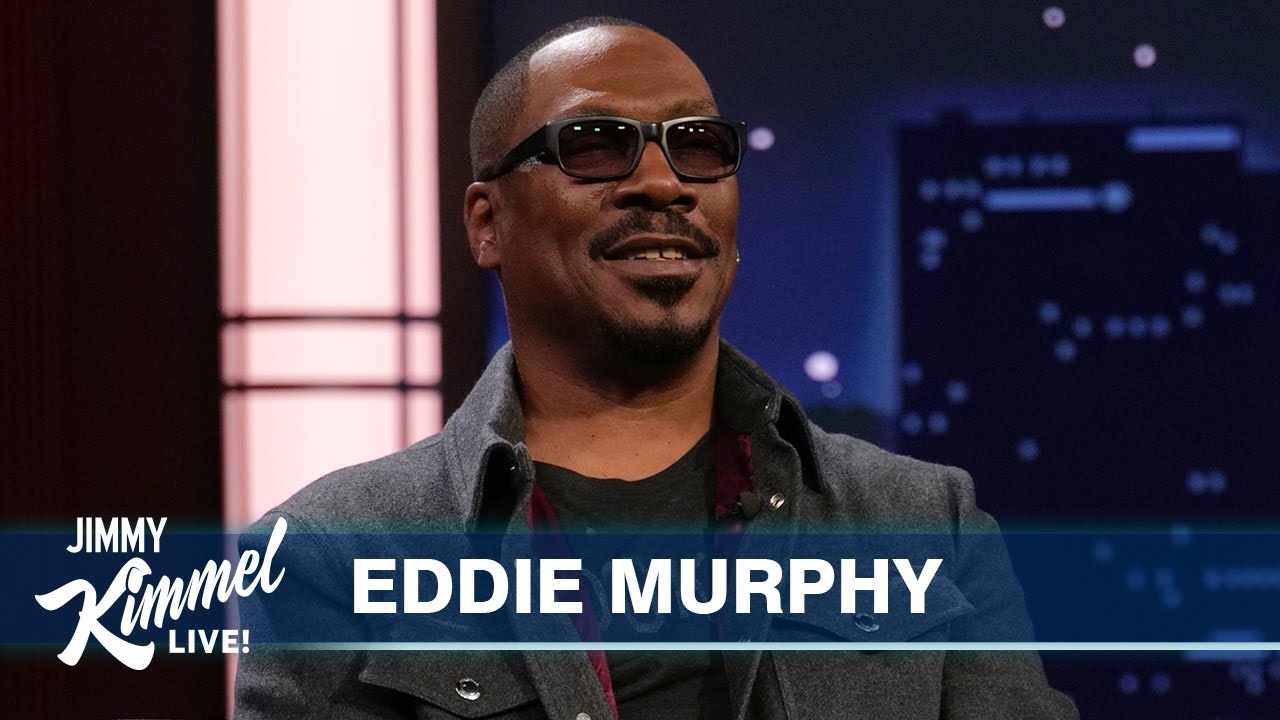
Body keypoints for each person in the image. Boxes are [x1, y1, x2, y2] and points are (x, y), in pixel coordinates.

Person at [234, 16, 1078, 719]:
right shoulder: (332, 554)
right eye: (595, 145)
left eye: (698, 146)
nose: (662, 183)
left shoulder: (926, 522)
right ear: (487, 223)